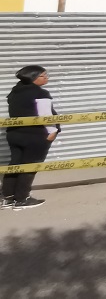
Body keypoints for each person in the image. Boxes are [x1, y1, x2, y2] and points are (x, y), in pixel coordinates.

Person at [1, 66, 59, 211]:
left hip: (15, 134)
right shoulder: (40, 93)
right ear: (34, 78)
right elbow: (46, 116)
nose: (47, 77)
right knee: (30, 166)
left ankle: (7, 198)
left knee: (15, 165)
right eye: (44, 75)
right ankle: (22, 199)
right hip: (35, 136)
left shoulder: (15, 92)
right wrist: (53, 131)